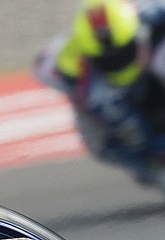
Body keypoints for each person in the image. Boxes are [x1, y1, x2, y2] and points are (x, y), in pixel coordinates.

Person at [35, 0, 165, 188]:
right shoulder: (61, 62)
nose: (116, 60)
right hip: (116, 100)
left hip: (153, 65)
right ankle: (151, 169)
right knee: (98, 143)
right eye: (107, 58)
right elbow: (40, 67)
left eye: (124, 51)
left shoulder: (153, 12)